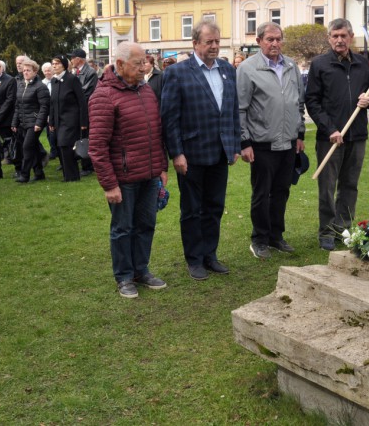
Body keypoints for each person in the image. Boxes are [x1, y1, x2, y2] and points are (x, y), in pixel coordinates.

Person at [160, 19, 241, 280]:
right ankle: (194, 259)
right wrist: (177, 153)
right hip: (192, 154)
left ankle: (210, 255)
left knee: (214, 206)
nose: (215, 46)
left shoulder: (228, 70)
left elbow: (232, 111)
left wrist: (235, 145)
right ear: (195, 43)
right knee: (192, 210)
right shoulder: (177, 73)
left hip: (219, 152)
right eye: (209, 42)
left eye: (217, 41)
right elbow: (169, 118)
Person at [89, 42, 169, 298]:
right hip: (123, 179)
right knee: (123, 228)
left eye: (145, 62)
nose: (144, 68)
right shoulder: (103, 96)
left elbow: (157, 132)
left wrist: (162, 167)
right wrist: (109, 184)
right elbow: (97, 146)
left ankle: (141, 270)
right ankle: (124, 276)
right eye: (138, 63)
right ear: (120, 64)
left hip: (149, 174)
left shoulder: (145, 91)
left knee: (146, 224)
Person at [305, 18, 369, 251]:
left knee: (350, 185)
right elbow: (312, 101)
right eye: (335, 36)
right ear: (329, 38)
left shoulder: (362, 64)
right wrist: (330, 129)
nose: (339, 40)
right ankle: (326, 230)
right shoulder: (319, 65)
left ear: (351, 37)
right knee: (327, 187)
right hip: (330, 138)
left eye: (343, 36)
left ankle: (343, 227)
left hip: (357, 136)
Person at [237, 22, 305, 260]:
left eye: (278, 39)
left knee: (281, 191)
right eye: (269, 39)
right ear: (259, 41)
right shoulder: (247, 69)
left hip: (288, 143)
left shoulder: (291, 66)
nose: (275, 43)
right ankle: (259, 239)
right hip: (261, 143)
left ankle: (276, 236)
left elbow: (298, 104)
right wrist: (244, 142)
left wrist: (300, 134)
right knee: (261, 193)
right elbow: (240, 108)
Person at [48, 54, 87, 182]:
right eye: (53, 64)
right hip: (59, 121)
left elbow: (82, 101)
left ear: (64, 65)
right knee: (61, 146)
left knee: (66, 145)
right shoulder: (54, 81)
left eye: (57, 63)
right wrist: (52, 121)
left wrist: (83, 121)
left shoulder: (72, 79)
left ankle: (72, 176)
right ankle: (68, 175)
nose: (55, 66)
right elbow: (53, 102)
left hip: (71, 119)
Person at [11, 59, 50, 183]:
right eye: (24, 70)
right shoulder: (21, 85)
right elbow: (18, 106)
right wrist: (14, 122)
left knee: (27, 147)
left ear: (35, 71)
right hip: (23, 121)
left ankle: (25, 174)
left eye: (28, 70)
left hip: (34, 122)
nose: (25, 72)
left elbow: (44, 107)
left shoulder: (40, 87)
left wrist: (39, 123)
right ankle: (39, 172)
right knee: (33, 148)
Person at [69, 49, 97, 177]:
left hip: (85, 110)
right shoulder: (75, 72)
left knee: (85, 136)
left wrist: (72, 98)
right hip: (76, 109)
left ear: (79, 59)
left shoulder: (90, 72)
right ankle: (81, 160)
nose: (71, 61)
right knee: (79, 136)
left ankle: (88, 165)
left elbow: (86, 93)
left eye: (72, 58)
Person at [40, 62, 58, 161]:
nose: (47, 72)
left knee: (54, 133)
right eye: (45, 71)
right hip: (45, 111)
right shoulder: (42, 83)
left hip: (55, 111)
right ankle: (53, 151)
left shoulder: (57, 81)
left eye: (49, 70)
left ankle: (57, 151)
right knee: (48, 133)